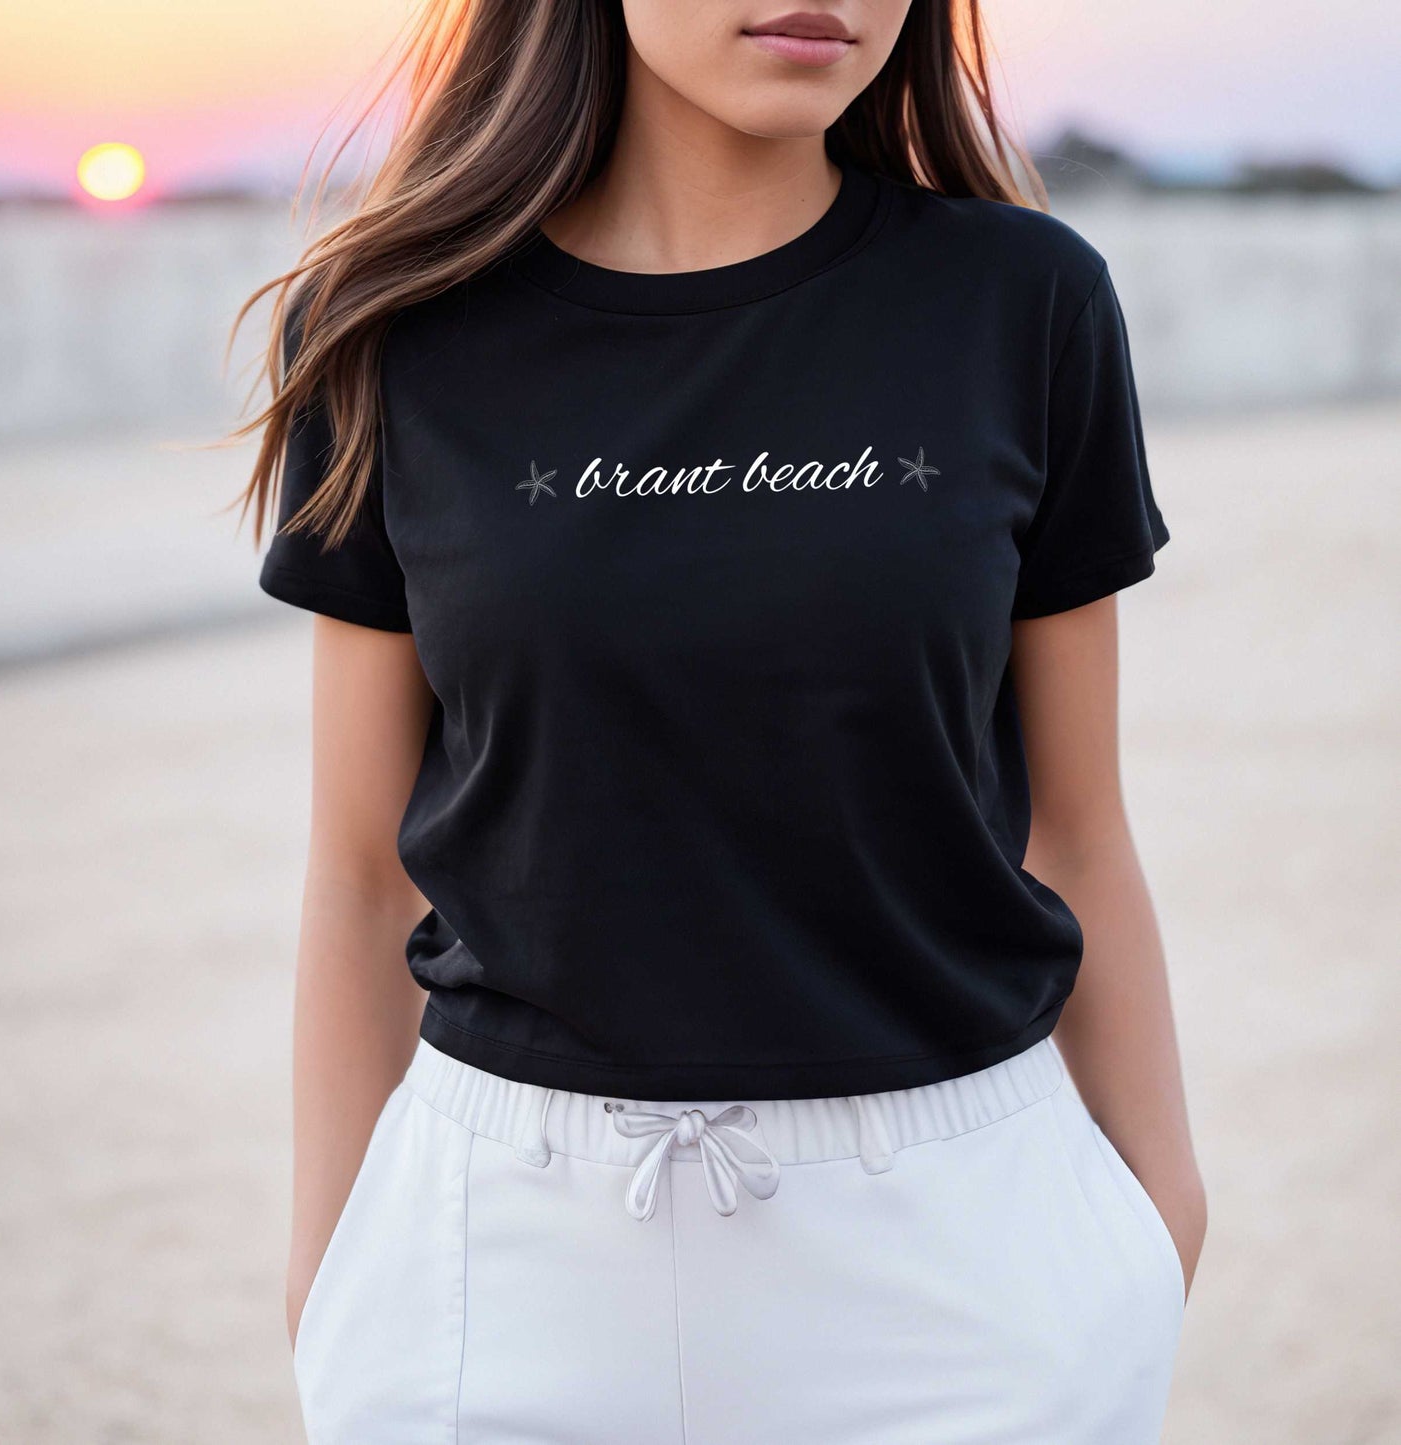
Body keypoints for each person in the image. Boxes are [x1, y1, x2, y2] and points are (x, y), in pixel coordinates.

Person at [238, 1, 1207, 1440]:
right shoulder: (393, 330)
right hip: (499, 1256)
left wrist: (1152, 1225)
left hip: (964, 1260)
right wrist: (332, 1274)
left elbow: (1073, 825)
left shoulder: (1021, 303)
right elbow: (363, 866)